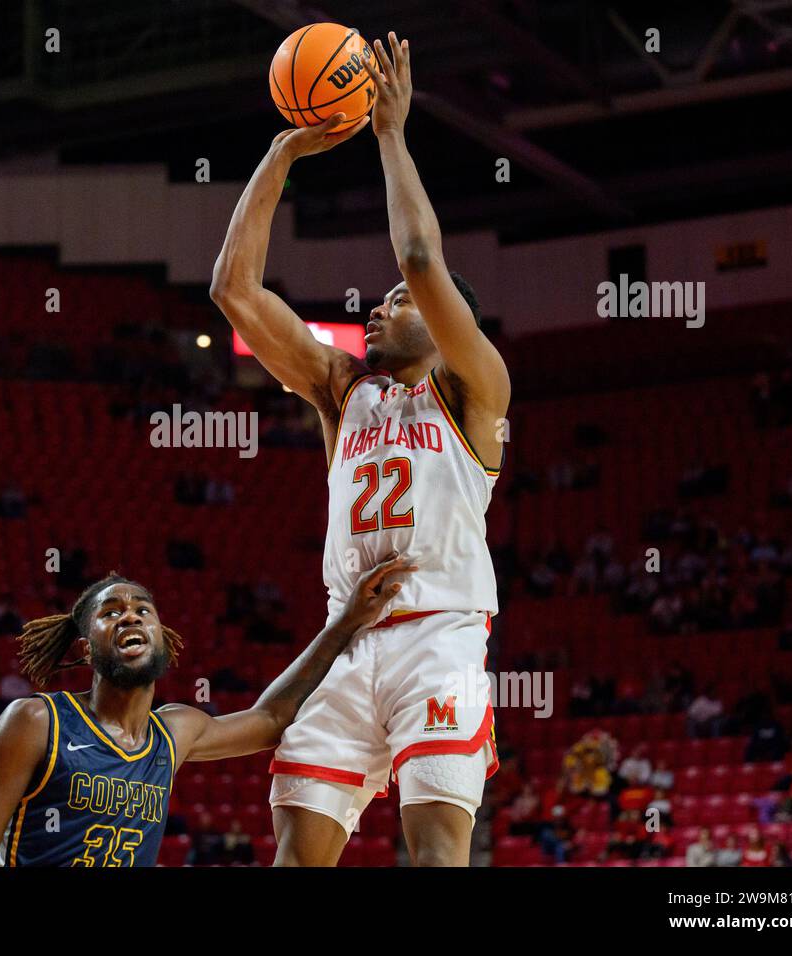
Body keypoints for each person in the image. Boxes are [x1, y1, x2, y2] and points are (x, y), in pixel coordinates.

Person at [210, 31, 508, 868]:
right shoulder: (346, 393)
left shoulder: (473, 389)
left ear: (451, 329)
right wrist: (282, 151)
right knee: (296, 856)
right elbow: (233, 290)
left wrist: (389, 131)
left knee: (435, 853)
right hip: (344, 637)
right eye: (376, 303)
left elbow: (418, 259)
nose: (377, 311)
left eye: (394, 305)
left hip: (440, 635)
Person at [0, 555, 416, 866]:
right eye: (111, 612)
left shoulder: (174, 732)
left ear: (162, 639)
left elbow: (272, 719)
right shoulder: (36, 723)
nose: (130, 614)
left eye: (143, 609)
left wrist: (347, 622)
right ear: (87, 651)